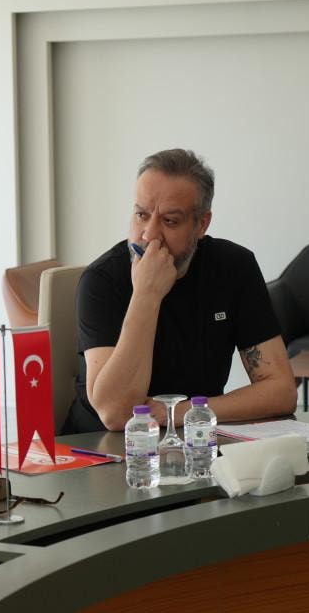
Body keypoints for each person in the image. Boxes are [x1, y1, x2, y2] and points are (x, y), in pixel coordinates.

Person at [65, 148, 297, 433]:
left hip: (195, 439)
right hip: (102, 446)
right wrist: (146, 295)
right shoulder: (102, 280)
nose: (149, 234)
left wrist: (181, 412)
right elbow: (116, 415)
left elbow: (281, 391)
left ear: (201, 224)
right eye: (141, 215)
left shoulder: (234, 267)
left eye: (170, 221)